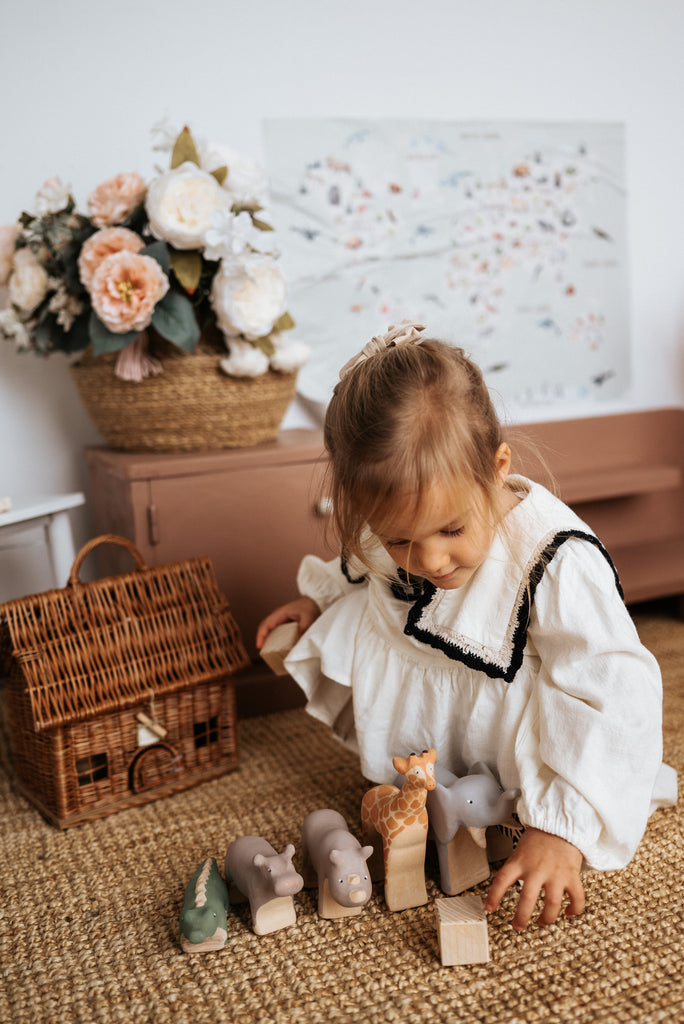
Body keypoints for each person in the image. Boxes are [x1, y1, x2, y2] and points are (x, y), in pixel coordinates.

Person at [256, 322, 677, 931]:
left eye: (451, 530)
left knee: (578, 749)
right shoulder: (389, 532)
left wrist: (561, 829)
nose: (428, 561)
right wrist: (318, 603)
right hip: (433, 708)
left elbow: (611, 690)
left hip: (523, 727)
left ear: (497, 468)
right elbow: (361, 569)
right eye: (401, 538)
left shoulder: (553, 560)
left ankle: (544, 816)